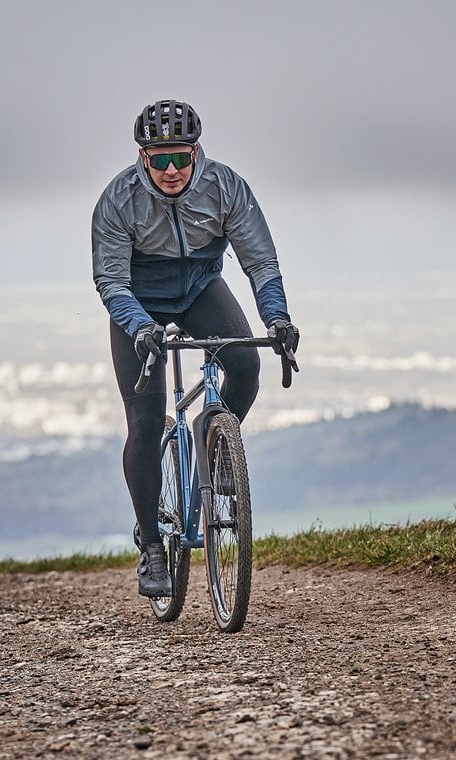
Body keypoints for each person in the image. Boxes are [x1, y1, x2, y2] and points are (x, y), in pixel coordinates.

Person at [91, 99, 300, 598]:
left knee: (245, 366)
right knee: (145, 419)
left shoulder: (225, 188)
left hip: (200, 289)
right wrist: (141, 330)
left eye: (179, 157)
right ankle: (151, 546)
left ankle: (217, 447)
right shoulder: (117, 200)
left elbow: (261, 263)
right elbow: (112, 283)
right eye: (158, 159)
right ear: (142, 158)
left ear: (196, 152)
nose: (170, 170)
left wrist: (278, 319)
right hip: (137, 301)